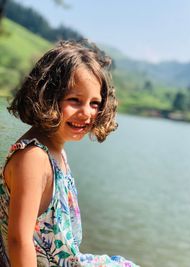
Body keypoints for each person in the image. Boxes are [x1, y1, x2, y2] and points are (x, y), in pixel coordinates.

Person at [0, 40, 140, 267]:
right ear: (46, 96)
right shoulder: (33, 158)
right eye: (75, 100)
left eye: (95, 103)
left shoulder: (56, 151)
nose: (86, 113)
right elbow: (19, 241)